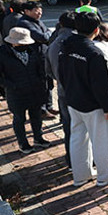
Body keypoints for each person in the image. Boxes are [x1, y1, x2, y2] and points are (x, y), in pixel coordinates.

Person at [58, 13, 108, 187]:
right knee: (102, 140)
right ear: (96, 30)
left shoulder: (66, 46)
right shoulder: (94, 53)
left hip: (73, 101)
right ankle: (106, 175)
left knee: (77, 139)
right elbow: (101, 84)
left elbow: (61, 75)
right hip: (94, 105)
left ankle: (80, 176)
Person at [0, 28, 50, 154]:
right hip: (16, 93)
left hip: (34, 90)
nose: (24, 45)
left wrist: (41, 82)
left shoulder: (32, 49)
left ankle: (38, 138)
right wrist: (11, 85)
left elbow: (40, 67)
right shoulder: (1, 53)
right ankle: (23, 143)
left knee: (36, 117)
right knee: (19, 119)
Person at [46, 11, 77, 166]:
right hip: (79, 92)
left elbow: (48, 71)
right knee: (82, 128)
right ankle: (85, 161)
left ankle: (71, 159)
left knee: (68, 125)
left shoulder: (52, 44)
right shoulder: (76, 42)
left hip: (62, 91)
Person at [17, 1, 56, 118]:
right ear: (27, 11)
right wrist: (47, 34)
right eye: (36, 10)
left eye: (40, 9)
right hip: (35, 57)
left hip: (44, 55)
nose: (39, 12)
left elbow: (48, 33)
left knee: (48, 82)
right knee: (41, 84)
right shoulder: (24, 23)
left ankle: (49, 106)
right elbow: (43, 37)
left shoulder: (37, 21)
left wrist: (47, 34)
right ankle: (42, 110)